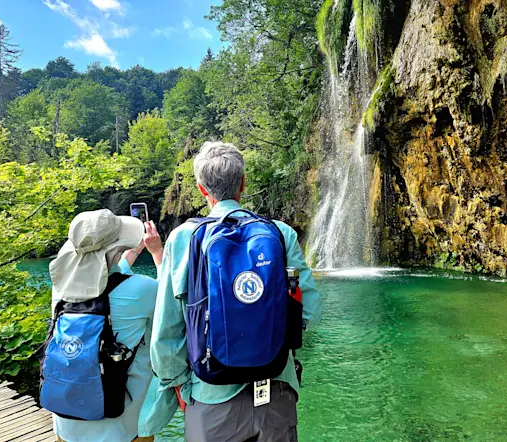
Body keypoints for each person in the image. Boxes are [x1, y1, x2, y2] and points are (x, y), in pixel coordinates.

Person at [151, 142, 323, 442]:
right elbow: (310, 312)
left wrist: (178, 385)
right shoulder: (280, 233)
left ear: (202, 189)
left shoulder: (182, 238)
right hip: (276, 389)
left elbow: (166, 330)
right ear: (243, 183)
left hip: (211, 394)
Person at [48, 209, 168, 442]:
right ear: (116, 249)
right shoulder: (142, 289)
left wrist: (133, 251)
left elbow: (105, 278)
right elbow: (169, 301)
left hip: (67, 424)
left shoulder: (60, 289)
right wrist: (157, 252)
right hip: (120, 427)